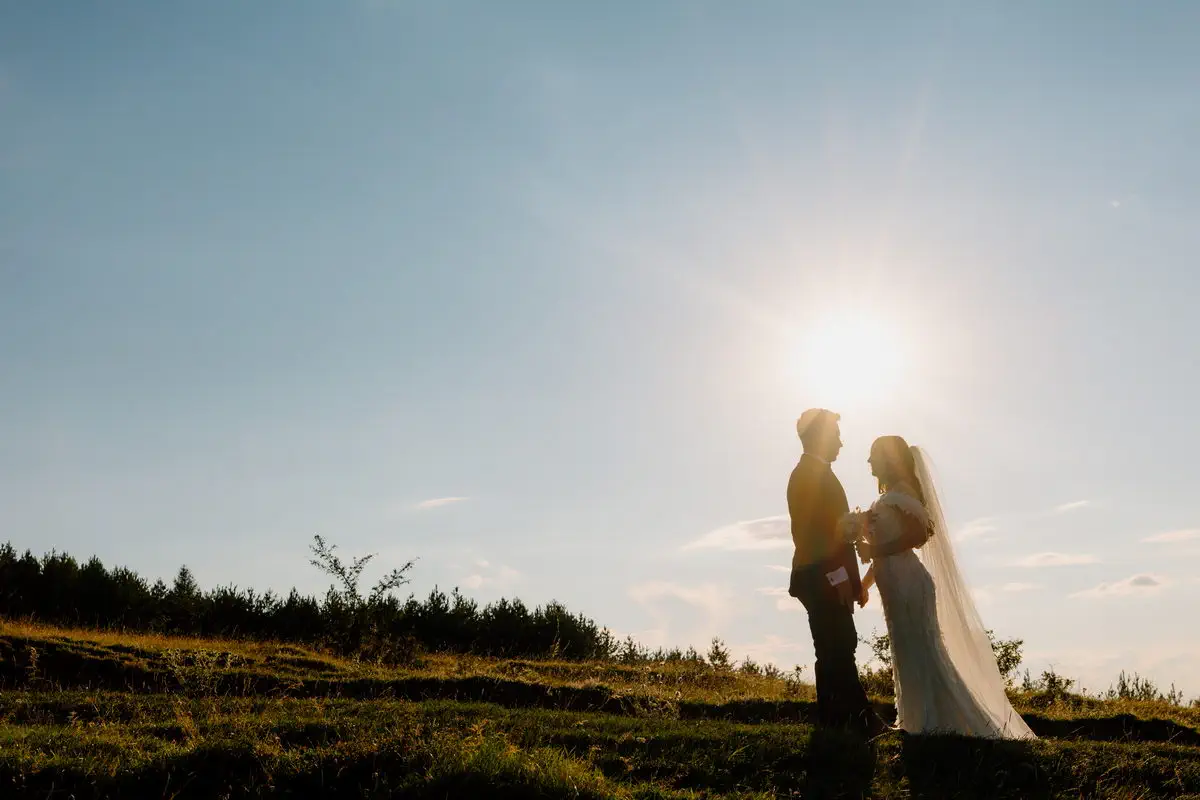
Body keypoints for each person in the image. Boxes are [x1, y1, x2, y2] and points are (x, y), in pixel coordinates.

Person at [854, 436, 1035, 739]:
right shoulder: (887, 499)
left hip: (908, 583)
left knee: (921, 651)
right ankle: (917, 722)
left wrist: (874, 551)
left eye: (873, 455)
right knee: (906, 651)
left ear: (889, 459)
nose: (869, 462)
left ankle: (932, 723)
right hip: (894, 583)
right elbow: (886, 549)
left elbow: (916, 536)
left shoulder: (901, 495)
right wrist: (865, 584)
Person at [786, 408, 884, 735]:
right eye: (837, 436)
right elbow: (810, 535)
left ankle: (836, 720)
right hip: (820, 577)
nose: (841, 443)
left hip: (824, 575)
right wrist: (838, 578)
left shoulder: (818, 473)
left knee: (837, 645)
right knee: (837, 645)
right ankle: (856, 719)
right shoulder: (807, 475)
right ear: (821, 436)